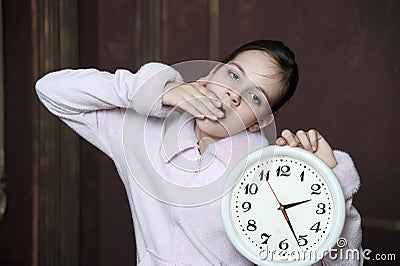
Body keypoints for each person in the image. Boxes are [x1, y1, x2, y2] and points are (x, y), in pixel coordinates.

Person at [36, 40, 362, 265]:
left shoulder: (270, 175)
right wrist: (157, 92)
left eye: (255, 97)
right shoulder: (141, 133)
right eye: (233, 75)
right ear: (209, 76)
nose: (235, 95)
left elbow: (341, 262)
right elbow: (51, 90)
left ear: (259, 121)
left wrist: (334, 192)